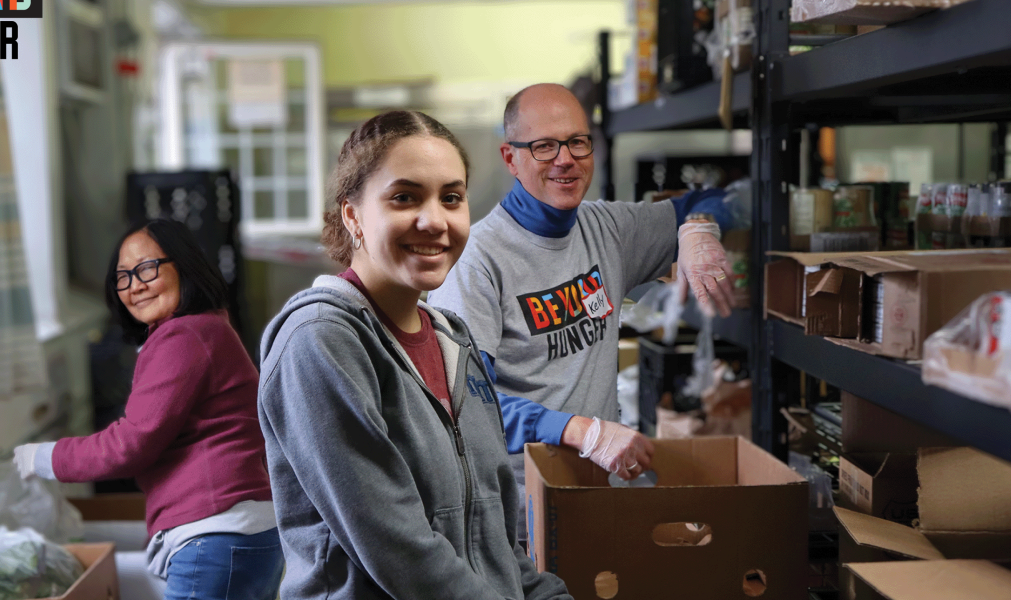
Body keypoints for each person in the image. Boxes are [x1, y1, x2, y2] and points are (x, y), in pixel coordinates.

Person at [257, 111, 572, 600]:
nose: (434, 220)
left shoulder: (455, 341)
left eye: (451, 197)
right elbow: (401, 551)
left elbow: (496, 545)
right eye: (404, 197)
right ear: (353, 216)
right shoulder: (320, 341)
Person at [428, 83, 735, 537]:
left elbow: (719, 198)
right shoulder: (475, 261)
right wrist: (578, 430)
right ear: (510, 158)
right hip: (518, 515)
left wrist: (698, 229)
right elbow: (466, 405)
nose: (565, 159)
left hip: (599, 492)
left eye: (577, 141)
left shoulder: (608, 228)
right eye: (544, 146)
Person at [12, 220, 283, 600]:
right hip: (245, 534)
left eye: (147, 269)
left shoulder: (183, 335)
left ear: (184, 267)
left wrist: (42, 457)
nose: (134, 285)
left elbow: (131, 442)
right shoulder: (208, 328)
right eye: (122, 277)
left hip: (216, 534)